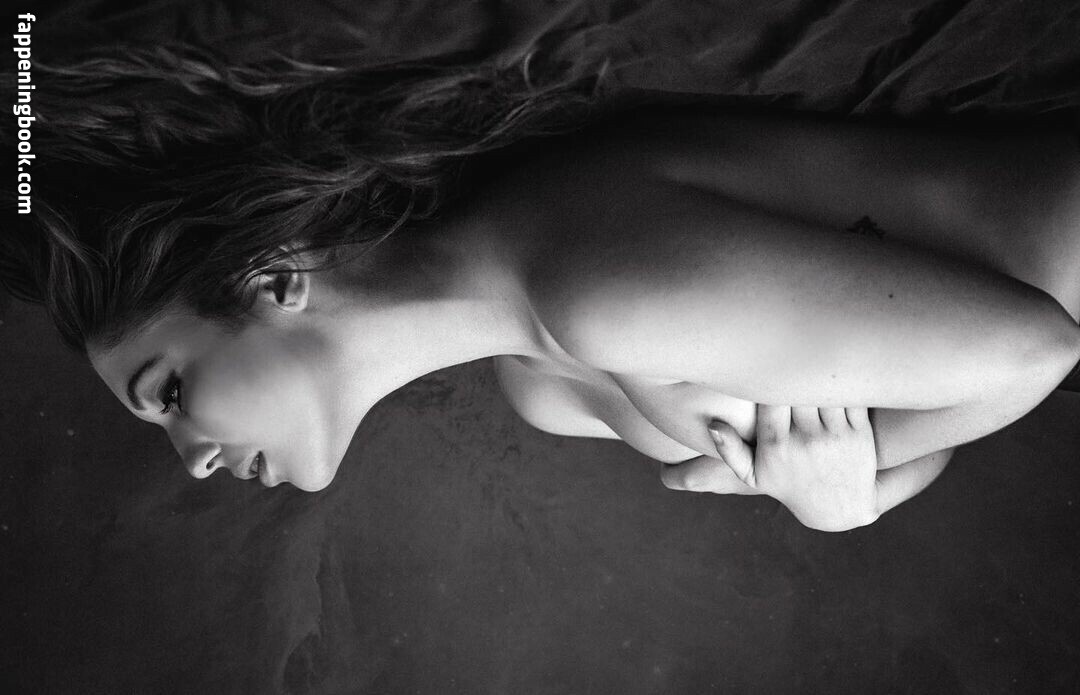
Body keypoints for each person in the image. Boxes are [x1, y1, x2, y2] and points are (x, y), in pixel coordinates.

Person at [4, 41, 1079, 533]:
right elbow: (918, 390)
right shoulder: (547, 389)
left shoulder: (593, 291)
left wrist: (843, 502)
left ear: (270, 280)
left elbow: (1033, 348)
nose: (191, 458)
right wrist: (849, 480)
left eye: (169, 392)